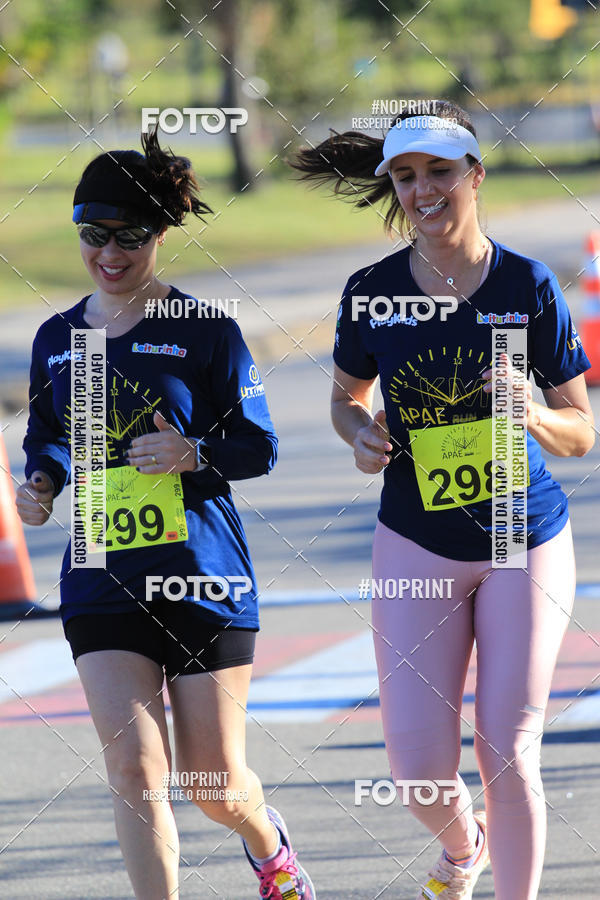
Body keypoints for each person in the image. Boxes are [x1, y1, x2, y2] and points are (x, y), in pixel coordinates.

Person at [291, 100, 595, 899]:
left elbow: (581, 432)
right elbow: (346, 398)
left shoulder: (527, 284)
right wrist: (359, 433)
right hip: (415, 540)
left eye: (439, 172)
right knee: (419, 771)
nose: (423, 191)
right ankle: (465, 848)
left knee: (507, 748)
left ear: (475, 175)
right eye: (405, 176)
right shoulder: (372, 293)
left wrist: (530, 410)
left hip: (518, 537)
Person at [16, 131, 315, 900]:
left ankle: (268, 844)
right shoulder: (57, 340)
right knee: (133, 769)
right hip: (102, 580)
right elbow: (47, 439)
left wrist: (192, 455)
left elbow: (259, 447)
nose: (109, 254)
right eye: (93, 235)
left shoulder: (207, 332)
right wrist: (41, 485)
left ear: (160, 234)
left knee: (212, 784)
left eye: (130, 237)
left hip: (203, 582)